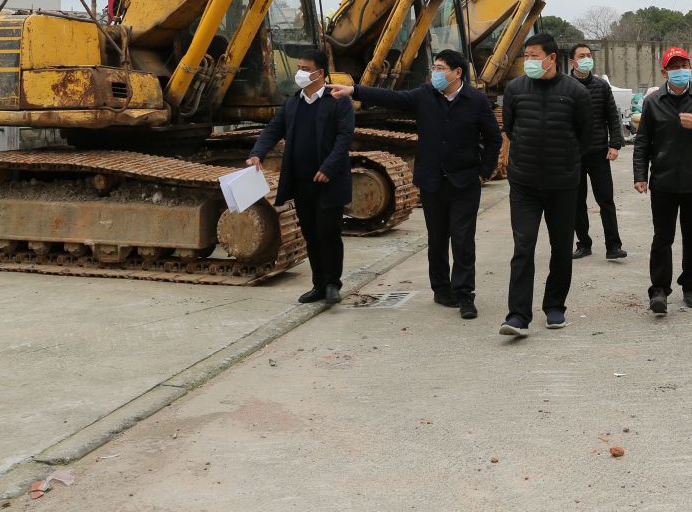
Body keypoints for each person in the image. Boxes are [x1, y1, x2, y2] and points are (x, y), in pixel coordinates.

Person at [329, 49, 499, 320]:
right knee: (437, 238)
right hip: (432, 181)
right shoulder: (425, 95)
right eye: (434, 68)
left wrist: (484, 172)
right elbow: (392, 97)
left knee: (463, 240)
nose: (435, 73)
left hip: (464, 181)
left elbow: (493, 138)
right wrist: (354, 90)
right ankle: (441, 289)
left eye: (441, 68)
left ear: (457, 73)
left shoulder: (475, 101)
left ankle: (465, 294)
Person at [498, 32, 591, 337]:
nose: (529, 61)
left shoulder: (576, 92)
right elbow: (510, 127)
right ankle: (517, 315)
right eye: (526, 56)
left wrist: (566, 162)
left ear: (551, 58)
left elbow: (584, 136)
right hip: (524, 183)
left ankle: (554, 307)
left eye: (534, 56)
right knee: (523, 246)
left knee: (561, 248)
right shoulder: (515, 89)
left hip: (562, 184)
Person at [248, 48, 355, 305]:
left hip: (329, 181)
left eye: (306, 69)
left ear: (320, 72)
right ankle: (318, 285)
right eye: (299, 68)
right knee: (311, 234)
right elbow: (273, 130)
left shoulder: (337, 101)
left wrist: (328, 167)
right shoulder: (293, 102)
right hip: (301, 181)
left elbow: (344, 137)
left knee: (328, 233)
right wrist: (257, 153)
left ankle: (332, 284)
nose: (300, 73)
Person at [632, 46, 692, 315]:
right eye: (674, 67)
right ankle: (659, 290)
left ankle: (690, 286)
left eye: (683, 66)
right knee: (662, 238)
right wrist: (640, 175)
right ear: (664, 72)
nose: (680, 71)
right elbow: (642, 142)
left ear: (690, 67)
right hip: (663, 182)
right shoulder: (653, 102)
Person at [568, 42, 626, 262]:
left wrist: (615, 144)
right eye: (581, 56)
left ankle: (614, 246)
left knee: (606, 200)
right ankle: (583, 244)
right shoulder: (564, 86)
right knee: (576, 202)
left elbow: (612, 116)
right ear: (572, 62)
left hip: (599, 153)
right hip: (573, 155)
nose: (586, 59)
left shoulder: (601, 86)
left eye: (588, 55)